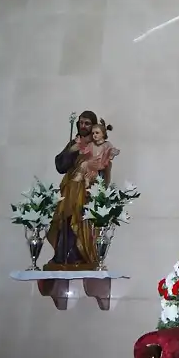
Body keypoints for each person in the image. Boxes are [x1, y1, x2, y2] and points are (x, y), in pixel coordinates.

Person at [45, 111, 115, 270]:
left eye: (87, 123)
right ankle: (62, 255)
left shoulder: (98, 145)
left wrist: (97, 172)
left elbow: (105, 167)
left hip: (87, 192)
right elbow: (60, 166)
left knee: (82, 222)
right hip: (70, 191)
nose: (83, 126)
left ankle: (80, 255)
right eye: (81, 123)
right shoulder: (75, 143)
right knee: (66, 222)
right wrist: (72, 149)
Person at [74, 120, 119, 187]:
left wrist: (112, 153)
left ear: (103, 134)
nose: (94, 135)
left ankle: (88, 180)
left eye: (97, 133)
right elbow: (83, 151)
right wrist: (79, 143)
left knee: (94, 173)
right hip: (91, 163)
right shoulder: (91, 144)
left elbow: (111, 154)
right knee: (84, 163)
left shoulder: (107, 145)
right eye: (93, 133)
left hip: (100, 164)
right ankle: (80, 176)